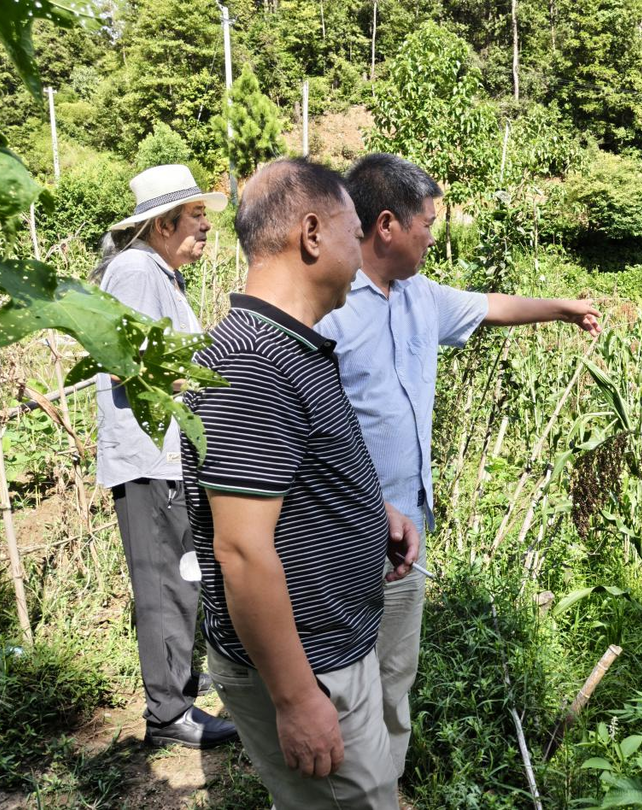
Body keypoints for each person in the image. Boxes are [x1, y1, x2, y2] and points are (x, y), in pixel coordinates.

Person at [315, 152, 602, 783]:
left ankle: (380, 789)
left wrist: (561, 307)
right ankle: (326, 789)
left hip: (406, 535)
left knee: (394, 676)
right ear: (386, 225)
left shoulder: (422, 297)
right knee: (335, 679)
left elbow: (491, 305)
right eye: (427, 224)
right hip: (339, 532)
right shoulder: (328, 309)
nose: (432, 236)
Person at [180, 157, 420, 809]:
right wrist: (294, 698)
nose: (364, 245)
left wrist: (375, 516)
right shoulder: (255, 364)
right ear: (312, 233)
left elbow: (289, 490)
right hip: (311, 670)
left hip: (331, 654)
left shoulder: (286, 348)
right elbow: (241, 549)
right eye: (354, 230)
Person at [95, 163, 238, 749]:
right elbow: (122, 360)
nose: (206, 226)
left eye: (206, 214)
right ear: (161, 224)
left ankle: (176, 683)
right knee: (161, 581)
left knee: (182, 574)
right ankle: (166, 714)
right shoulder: (134, 271)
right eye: (196, 215)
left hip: (167, 456)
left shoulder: (162, 274)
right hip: (146, 459)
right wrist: (204, 379)